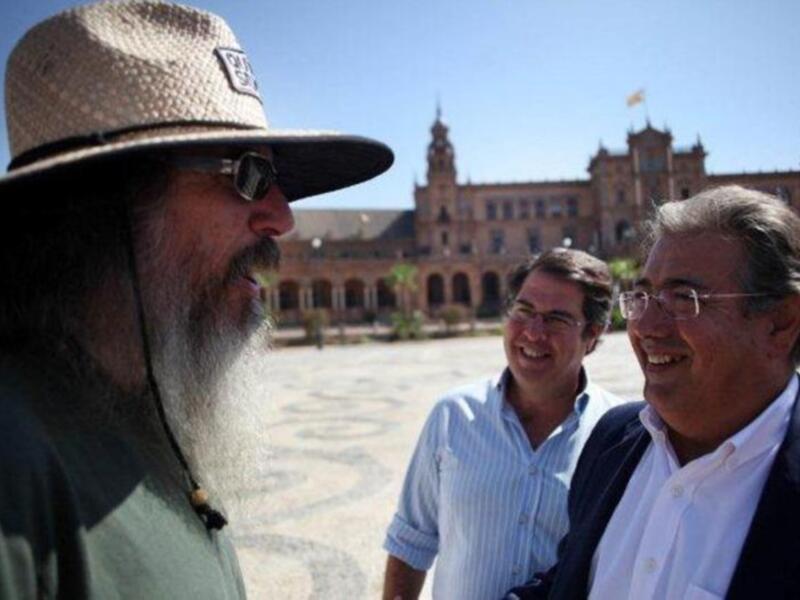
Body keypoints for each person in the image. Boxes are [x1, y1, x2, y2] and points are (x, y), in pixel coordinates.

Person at [0, 1, 393, 598]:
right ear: (110, 202)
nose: (283, 218)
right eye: (247, 174)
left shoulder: (147, 403)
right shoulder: (14, 467)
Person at [504, 185, 800, 600]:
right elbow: (570, 581)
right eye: (642, 296)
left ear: (781, 322)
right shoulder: (615, 438)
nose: (644, 327)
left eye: (683, 298)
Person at [382, 248, 626, 600]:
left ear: (593, 334)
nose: (533, 332)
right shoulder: (454, 416)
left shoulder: (618, 435)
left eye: (557, 319)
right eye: (524, 311)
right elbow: (410, 541)